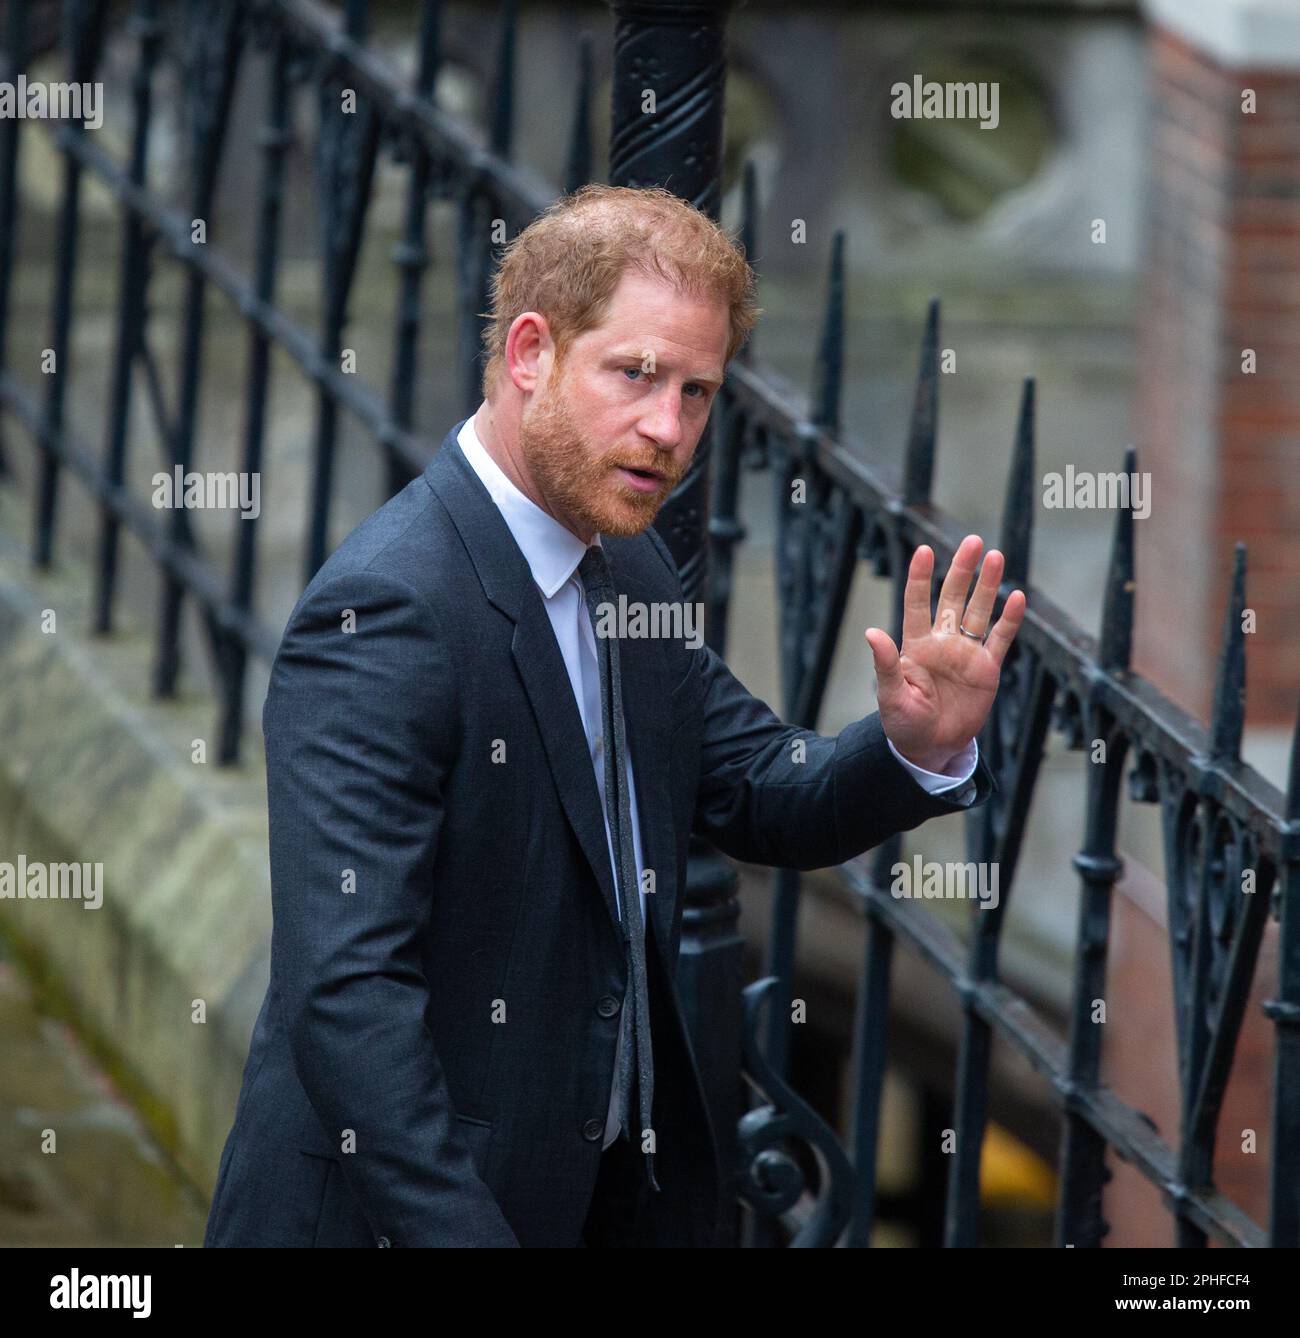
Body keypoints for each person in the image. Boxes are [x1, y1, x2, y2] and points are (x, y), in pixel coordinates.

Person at [203, 183, 1023, 1249]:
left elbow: (759, 790)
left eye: (696, 392)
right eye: (634, 374)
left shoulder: (623, 564)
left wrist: (919, 745)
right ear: (531, 352)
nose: (666, 430)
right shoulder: (391, 608)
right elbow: (347, 994)